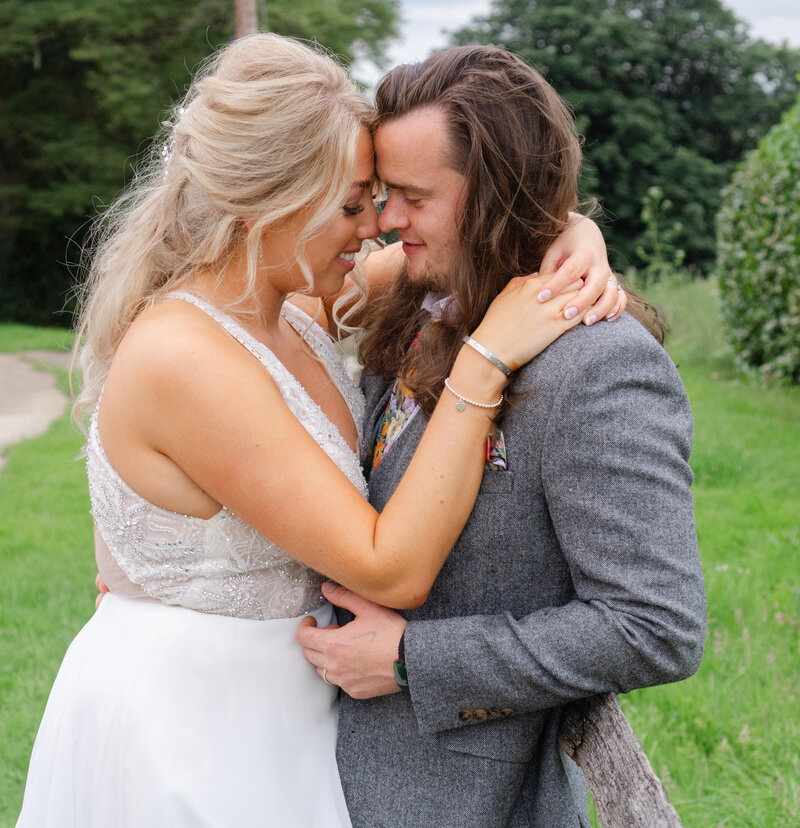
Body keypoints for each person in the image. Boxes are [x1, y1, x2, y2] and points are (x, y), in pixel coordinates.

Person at [17, 35, 623, 827]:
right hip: (192, 729)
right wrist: (482, 365)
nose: (373, 228)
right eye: (349, 205)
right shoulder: (182, 356)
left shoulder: (292, 311)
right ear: (266, 205)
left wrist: (570, 234)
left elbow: (462, 242)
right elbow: (389, 568)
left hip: (286, 715)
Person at [297, 45, 707, 827]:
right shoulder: (419, 304)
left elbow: (657, 626)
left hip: (467, 801)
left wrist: (417, 663)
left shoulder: (601, 367)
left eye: (412, 197)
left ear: (494, 198)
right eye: (383, 195)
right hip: (319, 773)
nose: (386, 221)